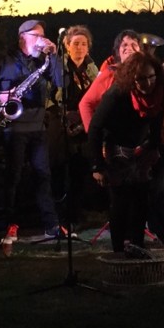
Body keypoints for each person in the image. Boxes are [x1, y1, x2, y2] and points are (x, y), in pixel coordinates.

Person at [0, 19, 65, 240]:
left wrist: (54, 55)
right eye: (36, 35)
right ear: (22, 36)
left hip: (38, 126)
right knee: (13, 177)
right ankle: (8, 226)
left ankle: (52, 225)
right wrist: (1, 95)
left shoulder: (43, 60)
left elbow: (62, 82)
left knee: (44, 176)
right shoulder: (3, 59)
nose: (40, 40)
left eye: (43, 35)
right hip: (13, 128)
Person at [88, 51, 164, 254]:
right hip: (118, 146)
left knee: (142, 197)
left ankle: (137, 246)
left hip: (142, 145)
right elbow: (96, 127)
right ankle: (118, 251)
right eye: (141, 79)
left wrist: (154, 146)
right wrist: (98, 165)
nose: (148, 83)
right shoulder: (117, 93)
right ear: (131, 78)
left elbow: (157, 118)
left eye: (151, 77)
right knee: (120, 200)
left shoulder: (161, 86)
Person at [56, 25, 100, 232]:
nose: (80, 48)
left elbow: (99, 96)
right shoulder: (60, 67)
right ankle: (64, 217)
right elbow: (52, 97)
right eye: (76, 44)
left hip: (86, 123)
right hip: (64, 123)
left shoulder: (92, 69)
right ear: (67, 45)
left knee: (82, 171)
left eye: (83, 44)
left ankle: (78, 214)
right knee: (65, 171)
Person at [79, 29, 142, 132]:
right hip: (115, 142)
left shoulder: (147, 72)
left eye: (134, 44)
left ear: (140, 49)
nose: (129, 48)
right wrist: (93, 137)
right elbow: (85, 103)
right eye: (124, 45)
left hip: (141, 142)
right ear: (118, 51)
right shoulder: (110, 73)